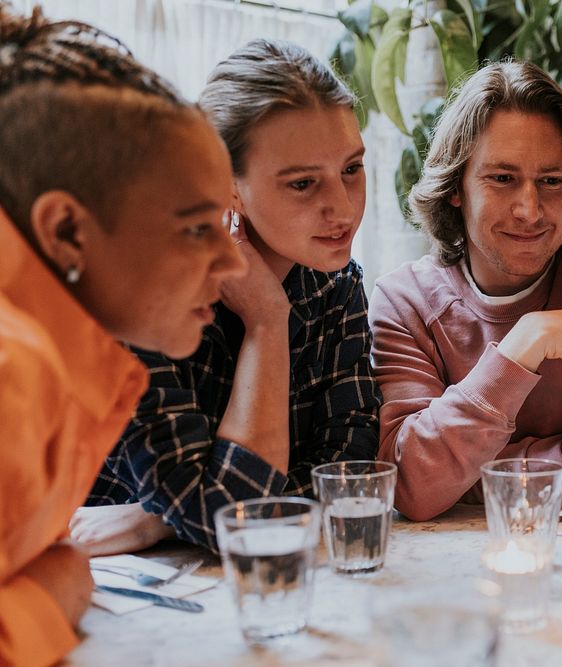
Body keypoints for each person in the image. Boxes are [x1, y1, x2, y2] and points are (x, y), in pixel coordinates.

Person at [0, 4, 245, 664]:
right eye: (197, 228)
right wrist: (48, 595)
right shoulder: (12, 372)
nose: (234, 263)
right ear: (68, 232)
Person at [73, 39, 381, 553]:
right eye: (304, 184)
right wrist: (265, 319)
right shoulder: (147, 297)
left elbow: (349, 477)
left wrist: (161, 521)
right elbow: (232, 520)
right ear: (227, 185)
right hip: (99, 587)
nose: (344, 209)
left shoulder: (335, 284)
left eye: (351, 168)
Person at [369, 60, 562, 521]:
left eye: (551, 181)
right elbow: (410, 486)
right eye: (502, 179)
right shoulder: (404, 302)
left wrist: (461, 478)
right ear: (456, 188)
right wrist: (523, 346)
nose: (530, 209)